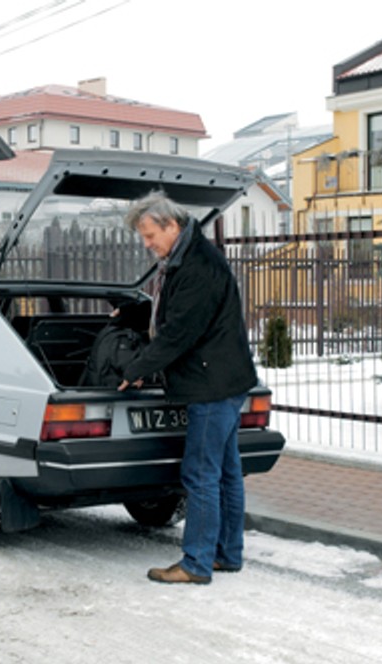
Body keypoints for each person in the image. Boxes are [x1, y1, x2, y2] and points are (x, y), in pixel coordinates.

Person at [118, 190, 258, 585]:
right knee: (226, 472)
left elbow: (178, 332)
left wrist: (137, 369)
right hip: (224, 378)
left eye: (149, 236)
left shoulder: (196, 266)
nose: (147, 245)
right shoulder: (187, 257)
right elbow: (171, 309)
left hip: (211, 384)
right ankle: (227, 554)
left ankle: (196, 562)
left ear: (171, 225)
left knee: (200, 473)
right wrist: (134, 310)